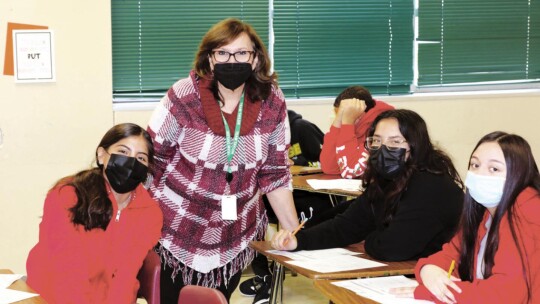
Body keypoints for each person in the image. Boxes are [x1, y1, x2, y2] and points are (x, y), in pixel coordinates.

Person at [146, 18, 299, 303]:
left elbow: (275, 172)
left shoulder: (272, 101)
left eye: (242, 53)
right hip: (175, 230)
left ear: (256, 59)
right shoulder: (183, 95)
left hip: (234, 233)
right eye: (223, 53)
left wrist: (293, 231)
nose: (233, 60)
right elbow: (153, 161)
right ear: (209, 58)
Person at [272, 109, 464, 262]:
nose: (383, 149)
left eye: (395, 142)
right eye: (376, 141)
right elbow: (346, 226)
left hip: (437, 279)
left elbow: (392, 249)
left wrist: (367, 237)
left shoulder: (431, 187)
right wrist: (298, 240)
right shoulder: (387, 182)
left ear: (415, 146)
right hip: (405, 272)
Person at [26, 123, 163, 304]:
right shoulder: (67, 195)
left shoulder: (150, 214)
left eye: (141, 158)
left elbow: (125, 276)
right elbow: (66, 270)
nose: (131, 162)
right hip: (51, 297)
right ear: (101, 155)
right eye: (123, 152)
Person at [411, 132, 540, 304]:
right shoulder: (484, 213)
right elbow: (452, 255)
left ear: (519, 174)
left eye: (494, 169)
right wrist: (428, 270)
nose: (480, 174)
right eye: (475, 165)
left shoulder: (528, 210)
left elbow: (506, 295)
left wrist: (431, 292)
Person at [239, 109, 331, 304]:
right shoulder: (255, 136)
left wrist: (294, 162)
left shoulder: (302, 129)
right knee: (252, 222)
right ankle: (265, 277)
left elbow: (325, 162)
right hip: (275, 195)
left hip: (306, 197)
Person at [319, 85, 394, 178]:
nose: (342, 119)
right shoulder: (354, 128)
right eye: (339, 115)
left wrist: (348, 123)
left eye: (344, 114)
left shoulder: (380, 128)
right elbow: (329, 168)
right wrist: (338, 122)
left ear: (360, 113)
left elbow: (351, 171)